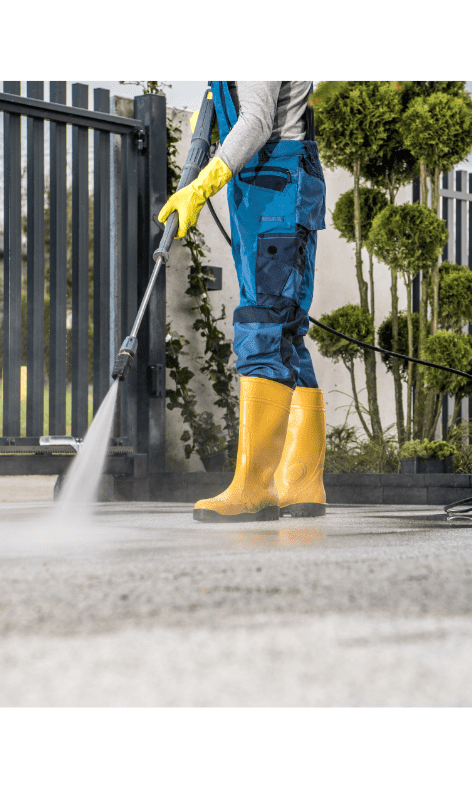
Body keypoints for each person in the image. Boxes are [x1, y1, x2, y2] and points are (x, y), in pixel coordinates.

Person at [158, 81, 327, 522]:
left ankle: (254, 487)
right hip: (275, 188)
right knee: (288, 333)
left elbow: (255, 121)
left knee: (261, 326)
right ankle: (301, 482)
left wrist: (203, 183)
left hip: (273, 190)